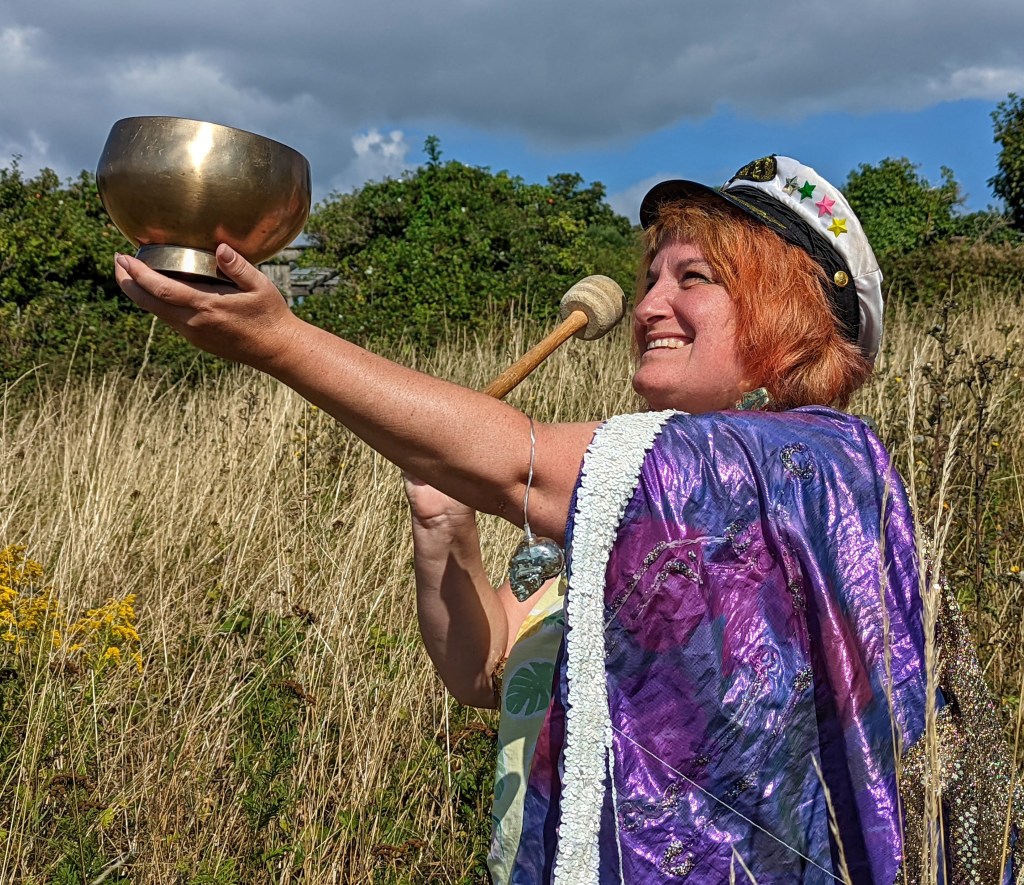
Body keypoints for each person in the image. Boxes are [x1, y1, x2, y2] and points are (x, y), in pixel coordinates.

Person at [116, 155, 1019, 883]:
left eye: (694, 278)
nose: (651, 304)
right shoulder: (637, 508)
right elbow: (482, 669)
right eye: (652, 276)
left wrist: (275, 338)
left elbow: (519, 458)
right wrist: (445, 534)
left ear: (791, 313)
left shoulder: (811, 463)